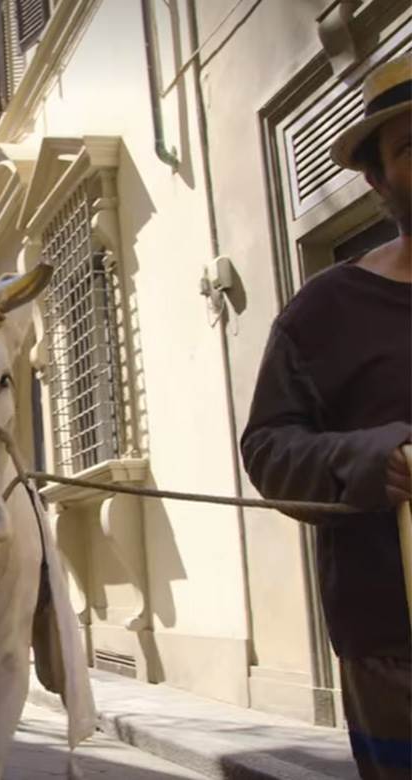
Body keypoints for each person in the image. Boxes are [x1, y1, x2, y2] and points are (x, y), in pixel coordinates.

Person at [242, 52, 411, 780]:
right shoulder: (322, 313)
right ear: (379, 181)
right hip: (393, 649)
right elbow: (268, 450)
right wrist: (373, 461)